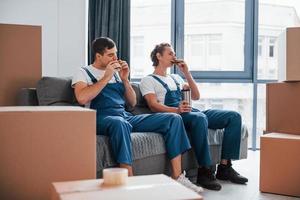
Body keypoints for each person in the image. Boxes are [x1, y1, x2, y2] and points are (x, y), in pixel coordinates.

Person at [72, 37, 203, 193]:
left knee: (173, 118)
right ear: (98, 56)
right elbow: (82, 98)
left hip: (124, 115)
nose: (115, 58)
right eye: (110, 55)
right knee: (119, 123)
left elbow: (132, 103)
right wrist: (106, 76)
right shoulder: (83, 72)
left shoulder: (116, 74)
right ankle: (129, 181)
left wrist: (125, 79)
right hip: (99, 117)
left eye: (116, 54)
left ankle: (178, 176)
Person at [140, 43, 248, 191]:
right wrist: (176, 110)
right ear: (159, 56)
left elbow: (196, 96)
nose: (174, 57)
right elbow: (153, 105)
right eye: (170, 53)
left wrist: (187, 73)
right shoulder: (148, 80)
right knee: (199, 118)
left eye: (174, 53)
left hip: (194, 112)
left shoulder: (176, 78)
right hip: (176, 115)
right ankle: (204, 171)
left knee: (233, 117)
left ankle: (224, 167)